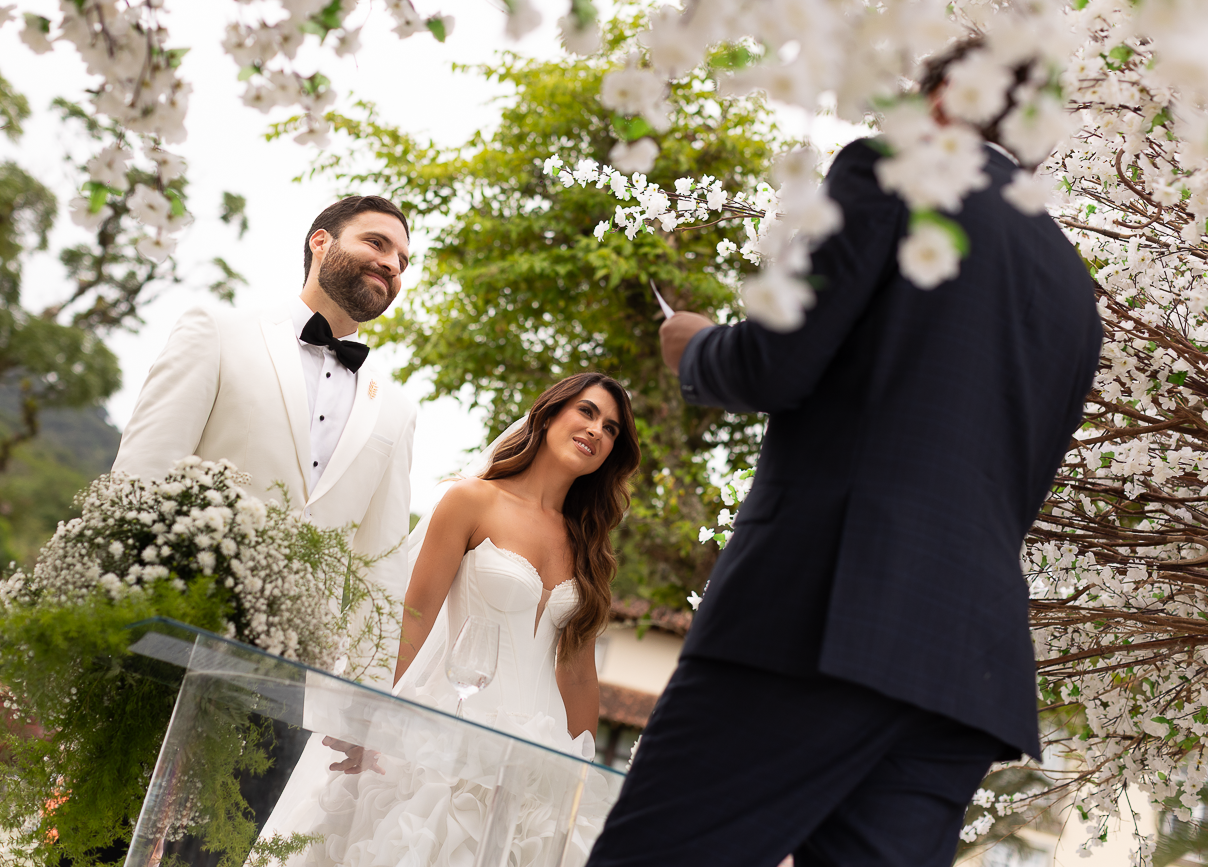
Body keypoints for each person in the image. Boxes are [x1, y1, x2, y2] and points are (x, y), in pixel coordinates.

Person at [584, 42, 1104, 867]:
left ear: (942, 102)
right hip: (965, 666)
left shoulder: (895, 168)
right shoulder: (1078, 291)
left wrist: (693, 348)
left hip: (823, 615)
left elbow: (777, 362)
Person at [113, 195, 418, 849]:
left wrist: (362, 707)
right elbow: (140, 476)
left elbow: (382, 568)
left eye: (401, 260)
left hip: (285, 684)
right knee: (103, 840)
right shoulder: (218, 329)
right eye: (376, 243)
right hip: (163, 639)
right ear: (319, 243)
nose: (391, 264)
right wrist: (110, 617)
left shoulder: (395, 411)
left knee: (216, 856)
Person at [261, 372, 642, 867]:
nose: (597, 431)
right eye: (587, 412)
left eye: (612, 429)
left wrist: (578, 781)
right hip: (446, 734)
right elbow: (413, 620)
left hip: (540, 760)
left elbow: (577, 674)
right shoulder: (471, 500)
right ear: (548, 414)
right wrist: (372, 720)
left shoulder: (590, 546)